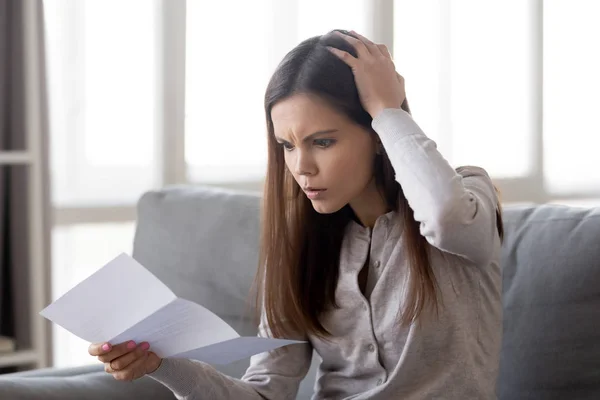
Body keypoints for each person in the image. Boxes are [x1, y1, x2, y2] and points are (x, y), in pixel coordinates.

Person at [88, 29, 504, 399]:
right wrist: (161, 363)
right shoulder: (300, 246)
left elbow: (447, 218)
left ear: (379, 135)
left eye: (322, 142)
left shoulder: (466, 198)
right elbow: (265, 393)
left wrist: (389, 110)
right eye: (287, 145)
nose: (301, 166)